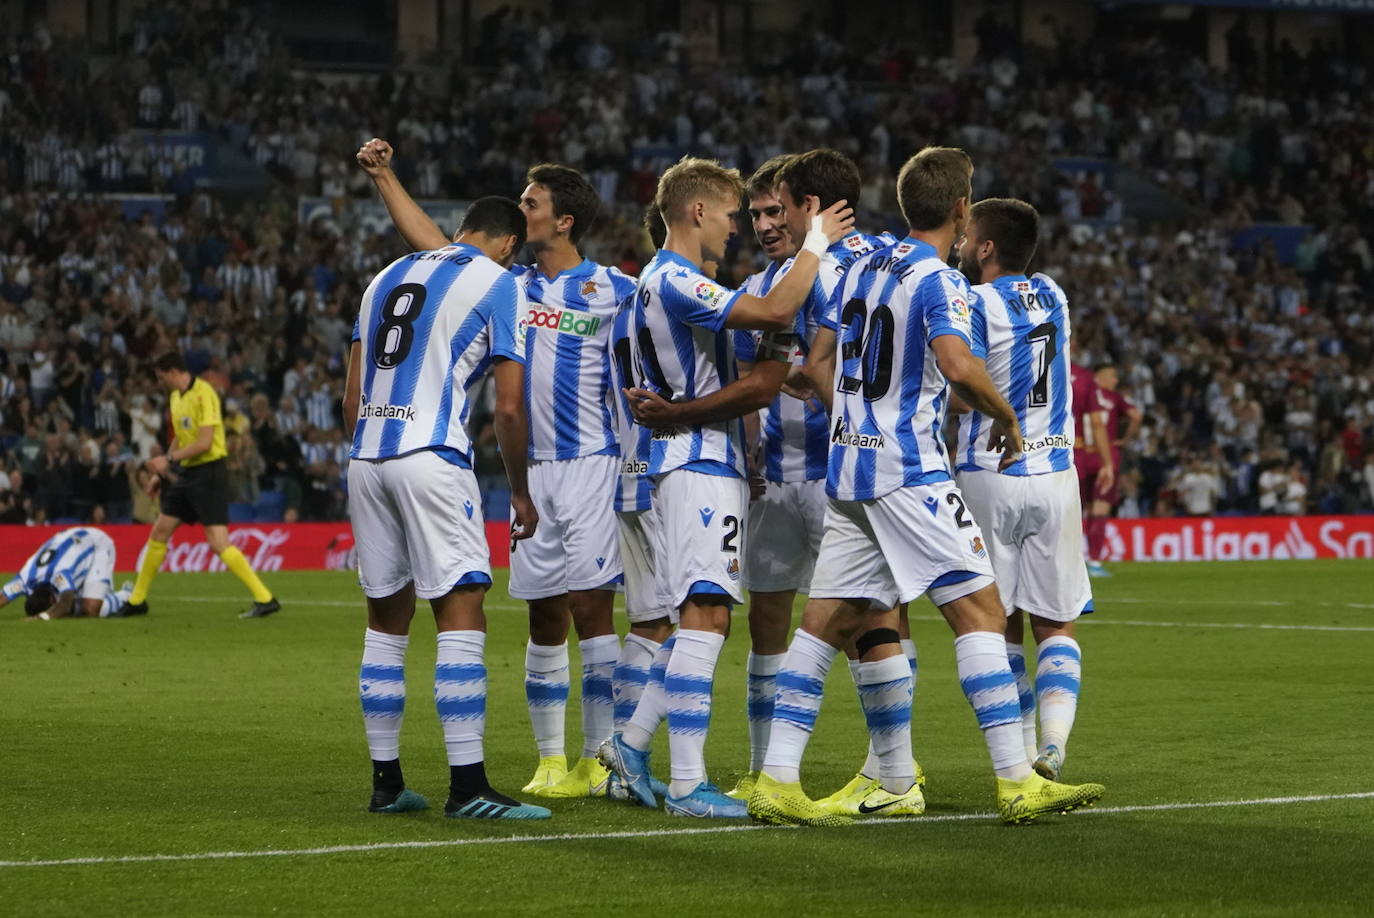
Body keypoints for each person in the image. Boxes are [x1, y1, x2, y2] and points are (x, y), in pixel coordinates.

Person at [747, 147, 1105, 827]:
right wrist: (1005, 416)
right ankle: (1017, 780)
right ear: (963, 210)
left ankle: (777, 778)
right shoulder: (937, 280)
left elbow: (817, 358)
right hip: (909, 471)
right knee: (981, 613)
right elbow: (956, 361)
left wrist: (854, 419)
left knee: (824, 624)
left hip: (849, 468)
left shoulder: (860, 262)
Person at [355, 140, 630, 799]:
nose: (524, 208)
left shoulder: (616, 289)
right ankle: (548, 761)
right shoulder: (509, 284)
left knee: (592, 607)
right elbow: (442, 247)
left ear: (563, 220)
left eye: (533, 201)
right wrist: (386, 177)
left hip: (591, 461)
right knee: (540, 613)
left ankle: (599, 756)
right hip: (525, 470)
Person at [597, 155, 853, 818]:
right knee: (707, 615)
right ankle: (687, 783)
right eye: (736, 215)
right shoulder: (675, 279)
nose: (740, 229)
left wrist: (768, 365)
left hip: (692, 463)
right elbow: (773, 306)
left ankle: (628, 747)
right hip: (696, 464)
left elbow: (759, 365)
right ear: (698, 211)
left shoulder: (649, 286)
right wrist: (817, 241)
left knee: (699, 616)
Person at [343, 195, 548, 821]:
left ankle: (386, 783)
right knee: (461, 613)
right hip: (430, 454)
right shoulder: (501, 284)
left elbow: (351, 392)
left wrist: (369, 456)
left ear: (462, 229)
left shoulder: (385, 277)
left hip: (367, 456)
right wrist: (519, 489)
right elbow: (508, 408)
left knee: (385, 622)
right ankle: (469, 786)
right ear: (509, 243)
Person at [953, 196, 1092, 783]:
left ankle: (1016, 767)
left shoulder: (973, 301)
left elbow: (963, 389)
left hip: (991, 470)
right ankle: (1052, 745)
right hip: (1056, 476)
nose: (960, 244)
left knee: (996, 622)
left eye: (968, 238)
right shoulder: (1054, 293)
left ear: (986, 248)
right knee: (1056, 624)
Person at [116, 352, 280, 619]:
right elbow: (181, 439)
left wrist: (166, 460)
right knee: (160, 531)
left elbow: (205, 442)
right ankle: (137, 600)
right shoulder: (175, 398)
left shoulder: (205, 394)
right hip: (188, 473)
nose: (160, 382)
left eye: (161, 377)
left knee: (217, 541)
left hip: (210, 472)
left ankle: (265, 597)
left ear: (172, 372)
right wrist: (162, 471)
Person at [1, 527, 131, 619]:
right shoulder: (24, 579)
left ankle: (126, 594)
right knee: (76, 606)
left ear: (52, 600)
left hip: (97, 543)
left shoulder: (59, 575)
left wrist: (44, 617)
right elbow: (2, 597)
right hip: (71, 539)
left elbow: (66, 603)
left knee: (91, 608)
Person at [1087, 363, 1141, 558]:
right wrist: (1125, 440)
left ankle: (1076, 559)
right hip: (1106, 456)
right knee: (1100, 509)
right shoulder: (1114, 397)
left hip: (1082, 455)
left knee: (1082, 510)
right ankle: (1094, 560)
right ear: (1101, 377)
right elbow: (1136, 416)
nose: (1116, 381)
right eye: (1113, 376)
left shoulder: (1083, 393)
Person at [1072, 363, 1115, 577]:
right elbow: (1097, 423)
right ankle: (1094, 562)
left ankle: (1066, 562)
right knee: (1096, 508)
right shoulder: (1084, 378)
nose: (1116, 381)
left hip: (1042, 451)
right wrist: (1108, 462)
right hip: (1081, 452)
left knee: (1069, 511)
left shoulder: (1034, 365)